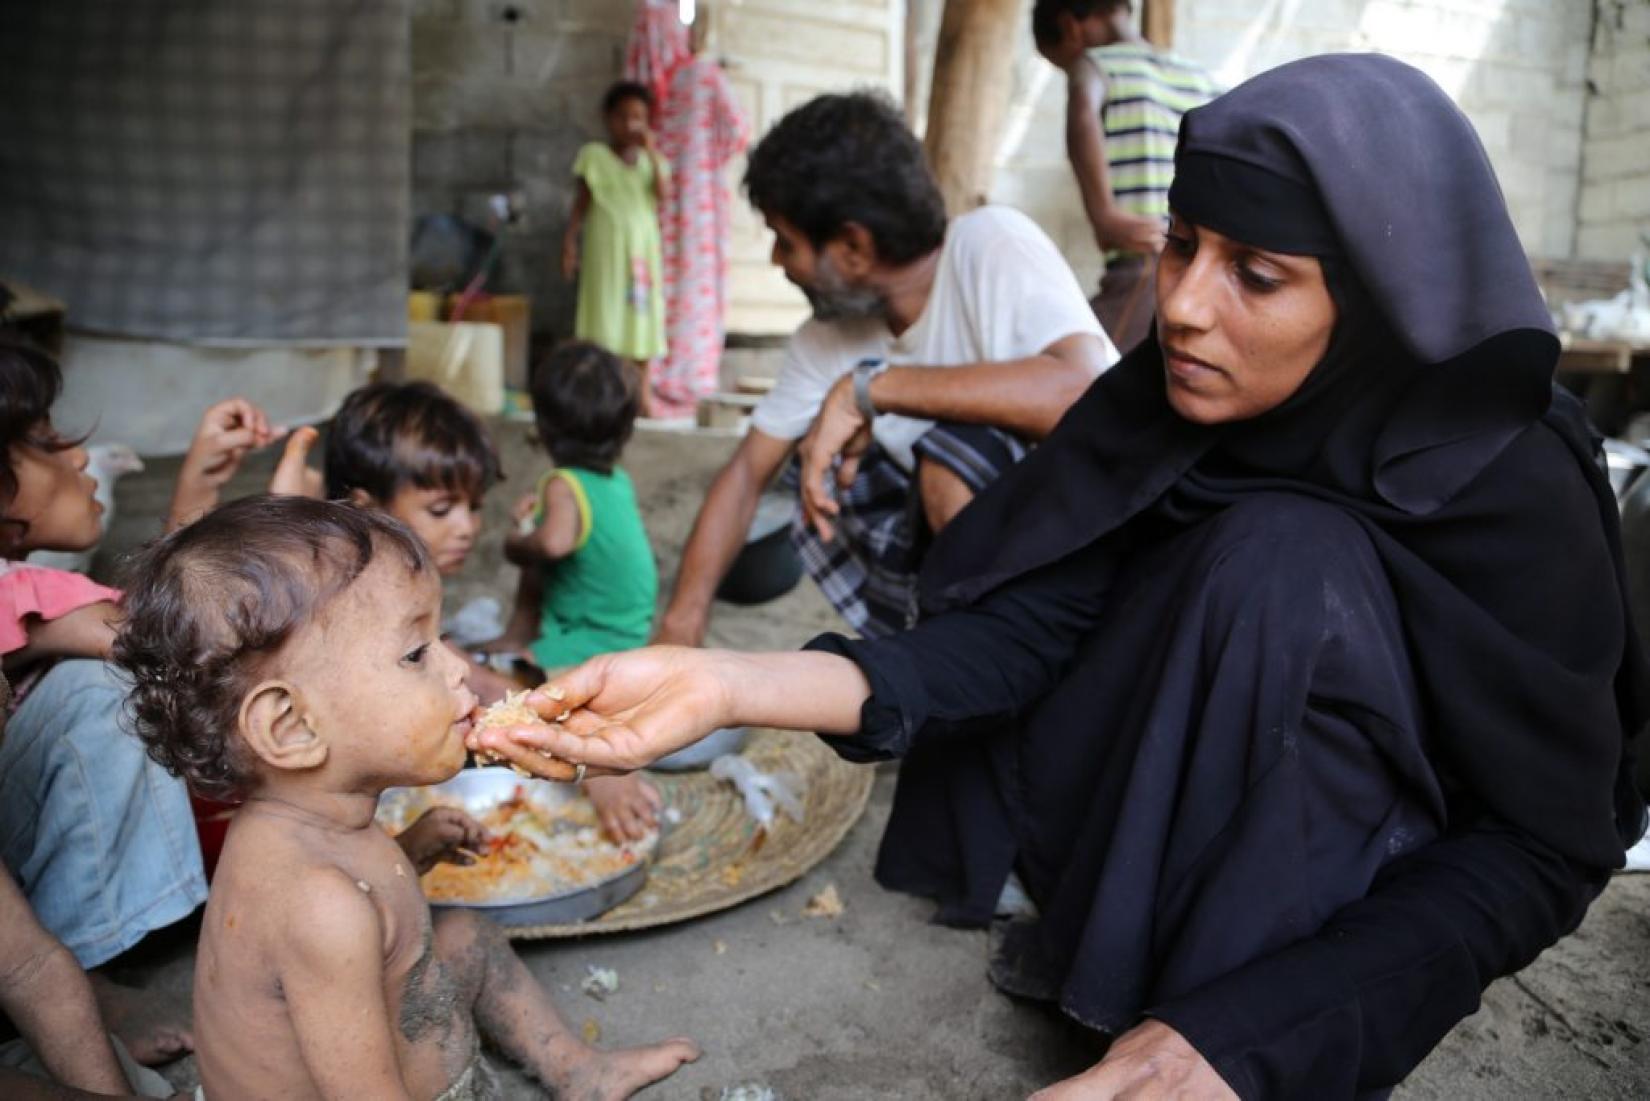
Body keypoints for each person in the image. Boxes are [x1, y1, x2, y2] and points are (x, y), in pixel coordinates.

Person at [471, 55, 1649, 1099]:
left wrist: (1242, 1040)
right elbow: (1034, 632)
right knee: (1256, 562)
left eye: (1259, 274)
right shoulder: (1174, 404)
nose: (1182, 307)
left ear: (1375, 299)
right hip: (1179, 795)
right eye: (1182, 245)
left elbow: (1543, 846)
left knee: (1287, 564)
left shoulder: (1506, 474)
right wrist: (727, 685)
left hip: (1382, 879)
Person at [111, 495, 700, 1100]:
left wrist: (410, 851)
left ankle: (578, 1071)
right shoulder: (316, 908)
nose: (456, 671)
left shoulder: (310, 821)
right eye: (416, 654)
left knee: (467, 936)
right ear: (291, 726)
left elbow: (363, 909)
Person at [655, 91, 1114, 647]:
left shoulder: (990, 244)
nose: (778, 261)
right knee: (812, 461)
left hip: (1096, 552)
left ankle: (1002, 662)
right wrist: (681, 625)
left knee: (956, 454)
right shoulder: (824, 342)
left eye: (786, 241)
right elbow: (746, 475)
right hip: (973, 572)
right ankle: (948, 650)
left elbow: (1085, 393)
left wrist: (870, 390)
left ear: (853, 246)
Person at [0, 337, 306, 1068]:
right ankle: (79, 970)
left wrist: (199, 484)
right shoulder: (18, 594)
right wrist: (289, 525)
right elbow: (168, 641)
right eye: (46, 441)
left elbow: (153, 621)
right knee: (110, 690)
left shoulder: (26, 588)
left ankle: (84, 970)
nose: (79, 456)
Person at [319, 379, 659, 842]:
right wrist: (582, 756)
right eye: (441, 510)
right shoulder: (348, 602)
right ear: (365, 508)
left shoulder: (407, 586)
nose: (467, 528)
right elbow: (463, 673)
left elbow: (456, 663)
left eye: (474, 507)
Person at [1033, 0, 1218, 354]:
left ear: (1071, 27)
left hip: (1143, 261)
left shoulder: (1095, 64)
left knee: (1083, 374)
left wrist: (1103, 214)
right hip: (1196, 263)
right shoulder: (1197, 75)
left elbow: (1083, 115)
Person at [653, 15, 751, 418]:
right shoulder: (702, 76)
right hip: (698, 198)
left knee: (669, 282)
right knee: (695, 283)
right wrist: (709, 161)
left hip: (663, 197)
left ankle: (665, 379)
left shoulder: (657, 84)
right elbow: (738, 130)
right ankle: (687, 382)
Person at [564, 81, 671, 412]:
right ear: (608, 119)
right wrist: (569, 243)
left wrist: (651, 151)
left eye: (638, 117)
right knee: (603, 314)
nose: (630, 124)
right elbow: (580, 204)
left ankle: (643, 395)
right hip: (604, 253)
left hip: (641, 253)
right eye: (622, 116)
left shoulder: (654, 162)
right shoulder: (594, 156)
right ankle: (597, 394)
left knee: (642, 315)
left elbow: (664, 196)